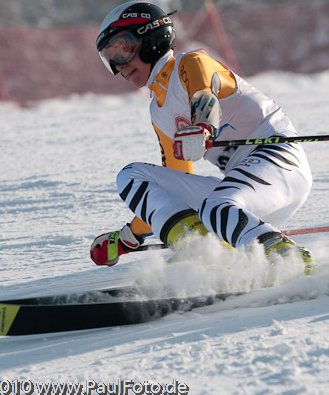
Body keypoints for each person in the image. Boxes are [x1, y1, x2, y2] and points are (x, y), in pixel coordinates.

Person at [89, 1, 316, 275]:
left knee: (215, 206)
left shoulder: (192, 64)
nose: (118, 67)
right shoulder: (158, 110)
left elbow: (204, 94)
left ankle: (285, 257)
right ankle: (200, 249)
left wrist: (203, 127)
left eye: (121, 51)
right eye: (109, 58)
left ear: (150, 38)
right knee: (131, 176)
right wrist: (126, 238)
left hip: (280, 164)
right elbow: (173, 186)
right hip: (241, 198)